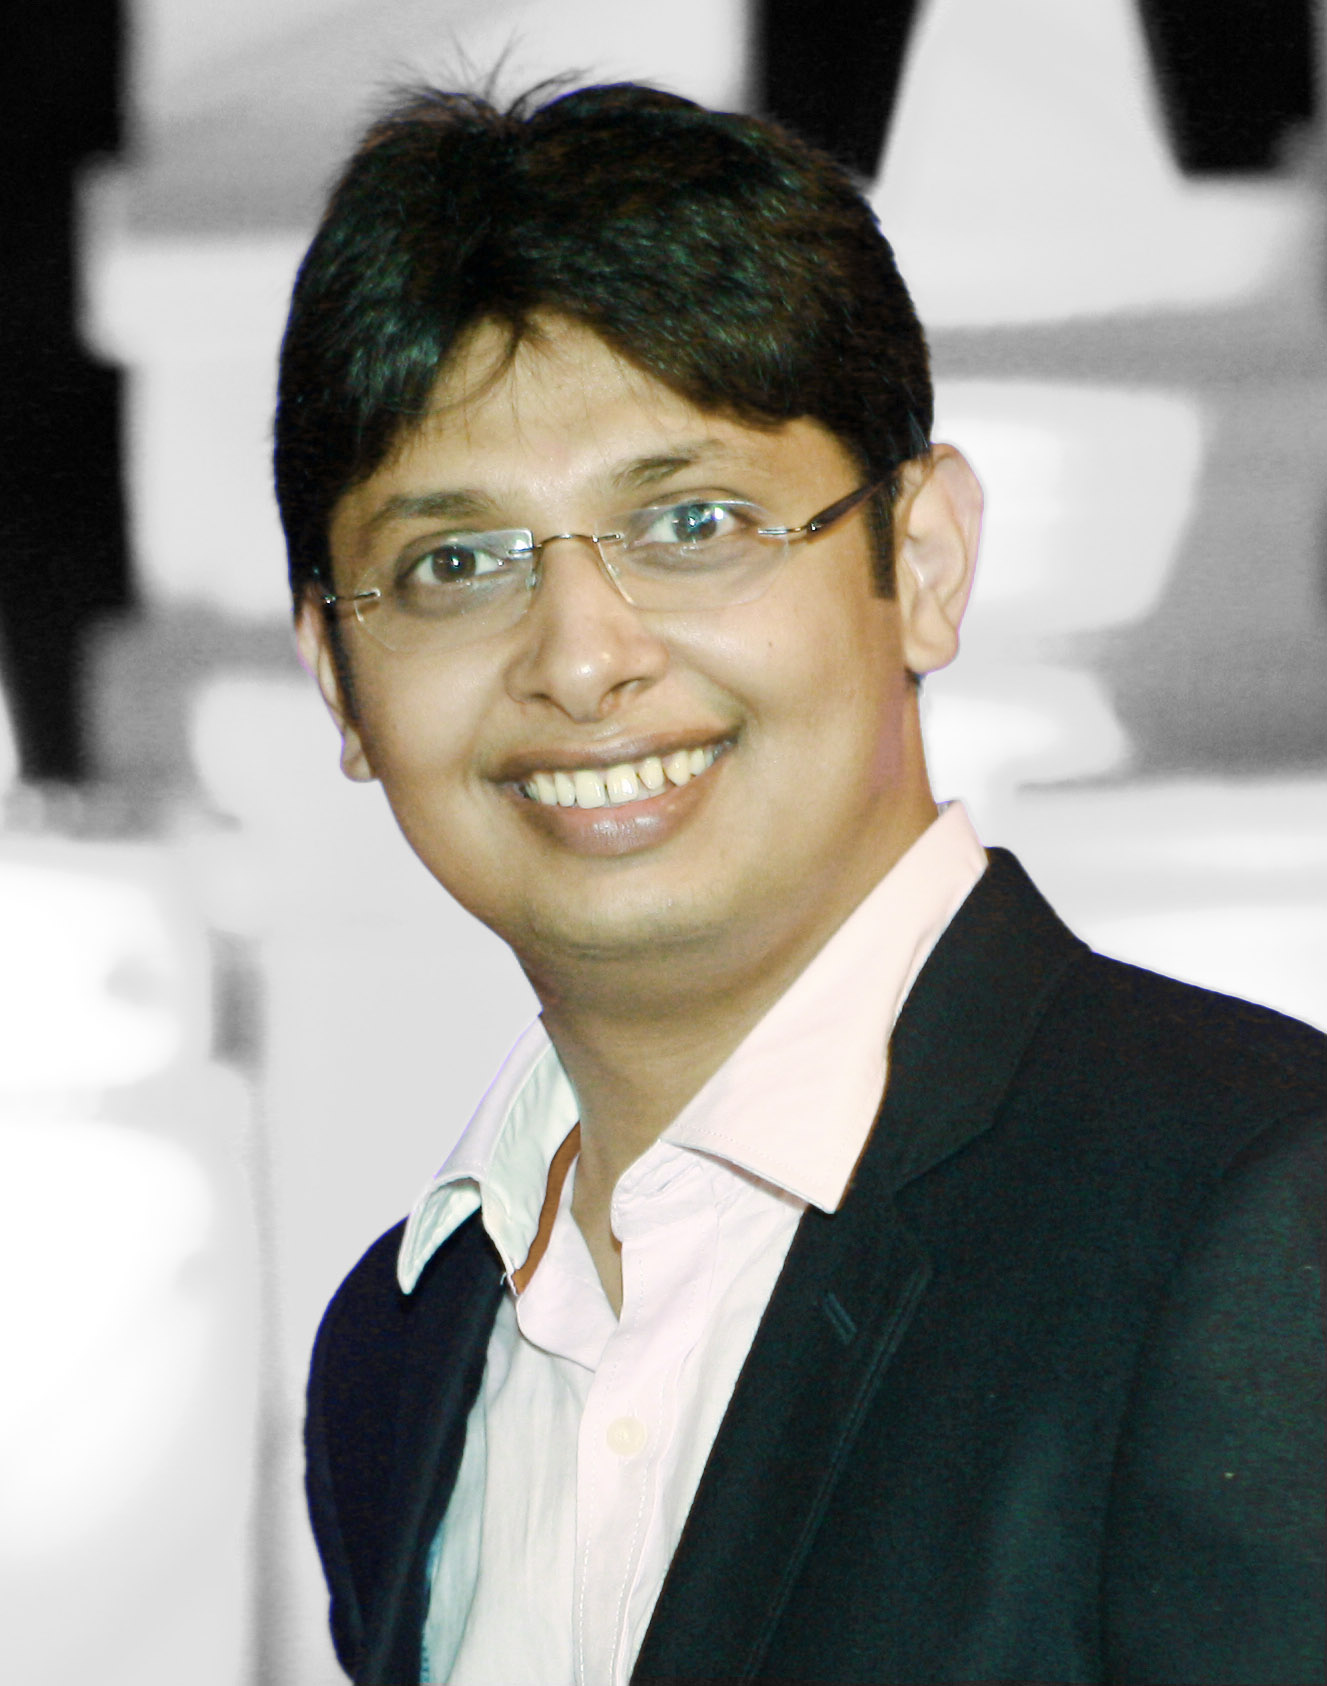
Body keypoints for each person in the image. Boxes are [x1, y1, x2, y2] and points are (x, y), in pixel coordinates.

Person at [277, 80, 1325, 1686]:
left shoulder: (1251, 1209)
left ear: (925, 560)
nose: (581, 658)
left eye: (691, 521)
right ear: (339, 684)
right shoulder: (393, 1351)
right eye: (455, 563)